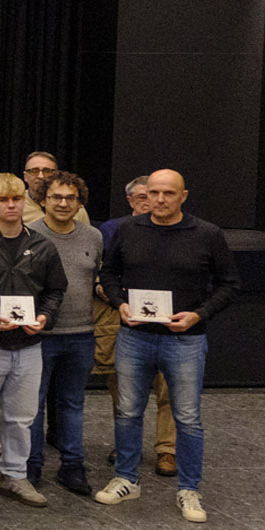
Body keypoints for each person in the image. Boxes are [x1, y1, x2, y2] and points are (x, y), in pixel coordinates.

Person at [96, 170, 239, 522]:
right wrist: (120, 303)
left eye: (168, 193)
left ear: (183, 196)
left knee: (187, 417)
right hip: (134, 336)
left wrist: (199, 314)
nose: (160, 199)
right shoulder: (128, 230)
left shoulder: (207, 234)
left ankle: (189, 489)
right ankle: (126, 479)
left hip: (185, 340)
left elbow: (230, 284)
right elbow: (109, 273)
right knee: (127, 411)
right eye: (154, 192)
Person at [0, 173, 67, 509]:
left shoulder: (43, 245)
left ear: (25, 202)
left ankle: (15, 475)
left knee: (21, 418)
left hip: (29, 345)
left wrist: (44, 318)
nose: (11, 206)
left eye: (17, 199)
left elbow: (55, 290)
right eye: (3, 200)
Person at [27, 171, 103, 496]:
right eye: (55, 197)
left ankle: (72, 466)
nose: (63, 203)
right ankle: (31, 467)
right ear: (43, 200)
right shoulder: (29, 235)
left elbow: (97, 277)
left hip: (81, 334)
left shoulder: (93, 237)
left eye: (70, 198)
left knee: (72, 403)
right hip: (40, 335)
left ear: (79, 203)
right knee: (34, 405)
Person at [96, 175, 176, 474]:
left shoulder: (179, 229)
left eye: (156, 194)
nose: (151, 201)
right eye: (143, 196)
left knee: (170, 389)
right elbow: (102, 272)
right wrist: (110, 293)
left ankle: (167, 449)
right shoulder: (113, 229)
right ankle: (126, 443)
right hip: (125, 321)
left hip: (169, 324)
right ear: (130, 200)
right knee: (124, 390)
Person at [20, 151, 91, 226]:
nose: (41, 176)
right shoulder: (16, 204)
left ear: (57, 175)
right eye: (34, 171)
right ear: (25, 176)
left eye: (47, 171)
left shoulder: (74, 206)